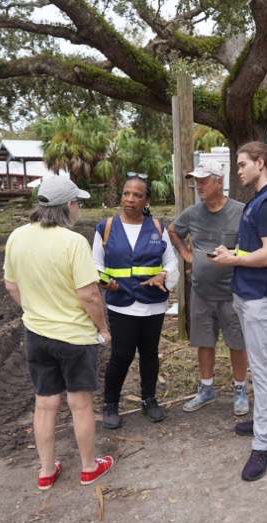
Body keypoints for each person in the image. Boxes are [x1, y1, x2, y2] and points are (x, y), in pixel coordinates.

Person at [3, 174, 114, 491]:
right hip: (74, 338)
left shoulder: (17, 237)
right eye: (77, 202)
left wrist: (35, 310)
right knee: (80, 405)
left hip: (36, 335)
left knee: (44, 404)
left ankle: (46, 471)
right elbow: (90, 295)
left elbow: (11, 285)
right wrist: (103, 329)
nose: (78, 208)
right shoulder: (73, 242)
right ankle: (90, 467)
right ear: (68, 205)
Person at [211, 142, 267, 481]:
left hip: (261, 296)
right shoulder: (261, 200)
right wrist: (231, 252)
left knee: (261, 369)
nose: (239, 170)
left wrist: (233, 259)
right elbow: (256, 248)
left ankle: (263, 446)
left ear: (260, 163)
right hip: (251, 293)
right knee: (265, 363)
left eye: (243, 164)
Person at [93, 175, 178, 429]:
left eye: (137, 195)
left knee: (150, 353)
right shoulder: (105, 227)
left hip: (153, 303)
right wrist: (104, 281)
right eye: (126, 193)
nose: (130, 199)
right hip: (121, 302)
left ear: (146, 200)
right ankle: (110, 404)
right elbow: (95, 262)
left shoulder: (157, 228)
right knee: (121, 355)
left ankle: (149, 400)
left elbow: (171, 261)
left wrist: (163, 275)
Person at [167, 161, 249, 416]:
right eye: (196, 181)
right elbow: (172, 231)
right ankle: (206, 388)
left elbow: (254, 245)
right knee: (204, 341)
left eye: (203, 181)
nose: (198, 186)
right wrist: (187, 255)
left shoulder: (241, 211)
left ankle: (239, 389)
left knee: (237, 342)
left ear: (219, 182)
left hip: (233, 292)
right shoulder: (192, 213)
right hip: (201, 291)